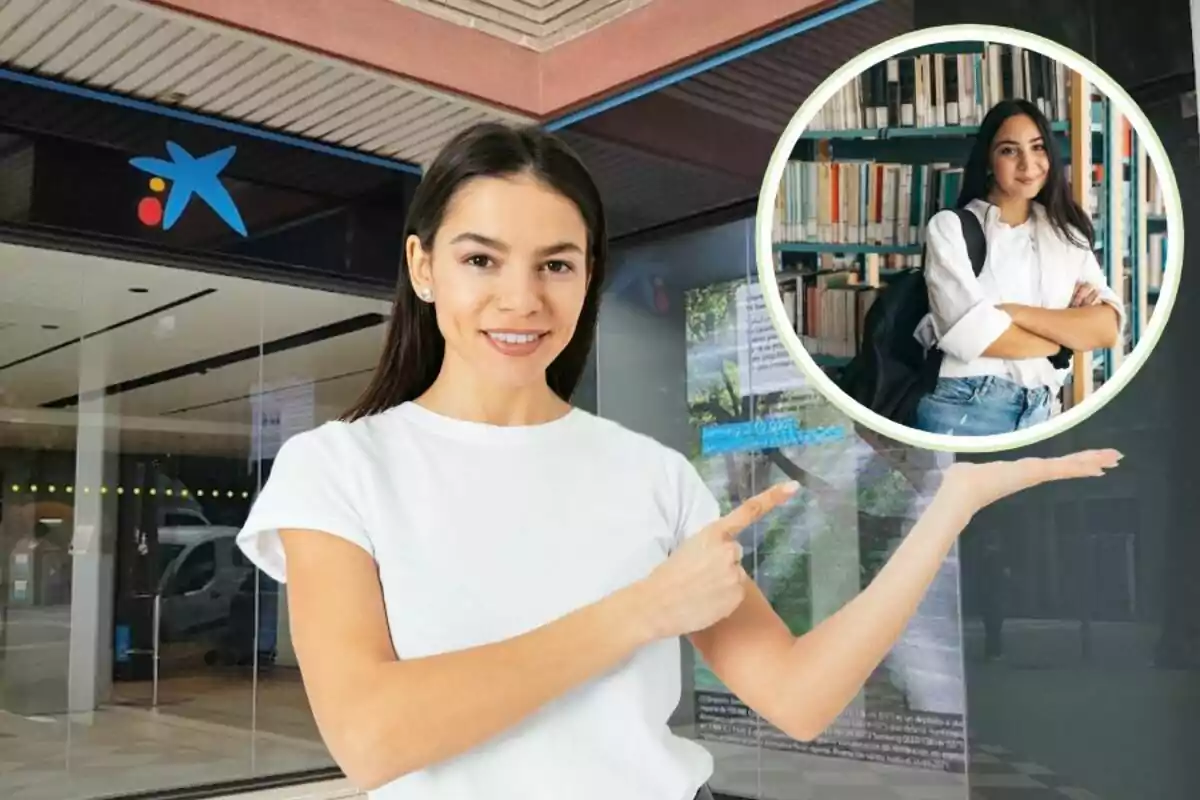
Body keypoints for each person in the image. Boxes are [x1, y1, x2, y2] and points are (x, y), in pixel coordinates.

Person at [234, 121, 1121, 800]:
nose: (520, 298)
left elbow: (799, 698)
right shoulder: (338, 468)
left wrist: (951, 505)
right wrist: (637, 614)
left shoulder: (652, 475)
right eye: (480, 259)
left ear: (587, 278)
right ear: (423, 268)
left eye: (556, 264)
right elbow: (371, 735)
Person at [913, 98, 1125, 436]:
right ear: (988, 160)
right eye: (1009, 151)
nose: (1028, 164)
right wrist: (1064, 339)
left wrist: (1014, 313)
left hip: (1043, 409)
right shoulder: (950, 227)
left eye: (1037, 147)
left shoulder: (1066, 233)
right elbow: (969, 335)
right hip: (965, 407)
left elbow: (1106, 329)